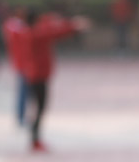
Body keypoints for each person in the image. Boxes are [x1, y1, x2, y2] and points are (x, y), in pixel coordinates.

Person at [10, 10, 91, 152]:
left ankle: (34, 137)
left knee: (36, 107)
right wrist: (74, 26)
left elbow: (49, 26)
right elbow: (54, 32)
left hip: (32, 74)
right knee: (39, 108)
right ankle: (34, 138)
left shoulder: (26, 32)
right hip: (37, 76)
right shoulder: (35, 34)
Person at [2, 8, 30, 126]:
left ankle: (23, 116)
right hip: (23, 63)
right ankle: (21, 116)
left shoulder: (13, 26)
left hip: (23, 62)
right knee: (24, 90)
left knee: (26, 91)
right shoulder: (15, 26)